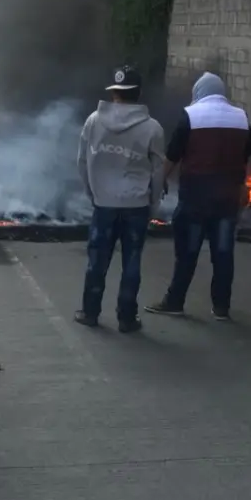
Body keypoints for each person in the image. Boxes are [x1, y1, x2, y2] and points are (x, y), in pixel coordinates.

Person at [146, 71, 251, 321]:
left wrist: (159, 185)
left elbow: (172, 156)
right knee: (223, 253)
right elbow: (244, 157)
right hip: (227, 198)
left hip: (195, 196)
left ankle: (175, 301)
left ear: (198, 92)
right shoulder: (242, 117)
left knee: (187, 252)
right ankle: (222, 307)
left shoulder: (190, 115)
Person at [74, 66, 166, 333]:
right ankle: (126, 318)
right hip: (136, 206)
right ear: (138, 93)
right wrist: (153, 203)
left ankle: (90, 312)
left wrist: (92, 192)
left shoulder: (93, 121)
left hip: (103, 205)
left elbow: (82, 161)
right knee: (132, 262)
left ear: (114, 93)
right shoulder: (152, 128)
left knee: (97, 262)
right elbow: (158, 171)